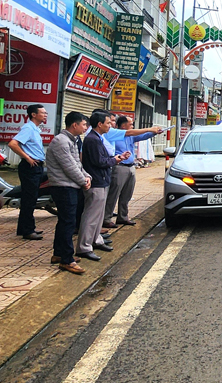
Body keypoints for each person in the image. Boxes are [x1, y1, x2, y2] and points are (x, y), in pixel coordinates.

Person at [77, 112, 132, 261]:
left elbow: (103, 159)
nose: (111, 125)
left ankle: (96, 240)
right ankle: (84, 246)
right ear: (100, 124)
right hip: (96, 181)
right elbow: (99, 162)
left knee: (98, 215)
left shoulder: (98, 138)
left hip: (102, 180)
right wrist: (115, 160)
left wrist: (117, 158)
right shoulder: (92, 140)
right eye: (108, 123)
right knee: (91, 216)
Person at [45, 112, 91, 275]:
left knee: (66, 221)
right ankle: (66, 260)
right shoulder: (61, 141)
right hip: (63, 187)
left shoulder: (72, 140)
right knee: (68, 223)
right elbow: (69, 166)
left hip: (71, 185)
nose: (85, 128)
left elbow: (77, 163)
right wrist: (82, 181)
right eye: (84, 124)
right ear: (74, 125)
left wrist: (86, 176)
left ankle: (59, 254)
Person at [104, 115, 158, 227]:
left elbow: (143, 136)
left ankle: (123, 217)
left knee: (127, 194)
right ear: (123, 125)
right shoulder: (115, 134)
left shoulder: (131, 136)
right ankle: (106, 218)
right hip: (119, 167)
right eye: (131, 124)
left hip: (130, 166)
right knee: (114, 194)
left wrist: (155, 132)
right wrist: (150, 129)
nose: (132, 126)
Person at [7, 104, 48, 240]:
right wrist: (28, 158)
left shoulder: (35, 129)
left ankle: (28, 227)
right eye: (42, 113)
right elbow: (13, 144)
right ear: (33, 115)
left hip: (36, 166)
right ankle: (27, 231)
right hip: (30, 167)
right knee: (29, 200)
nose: (45, 115)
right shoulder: (28, 128)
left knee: (31, 198)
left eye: (46, 113)